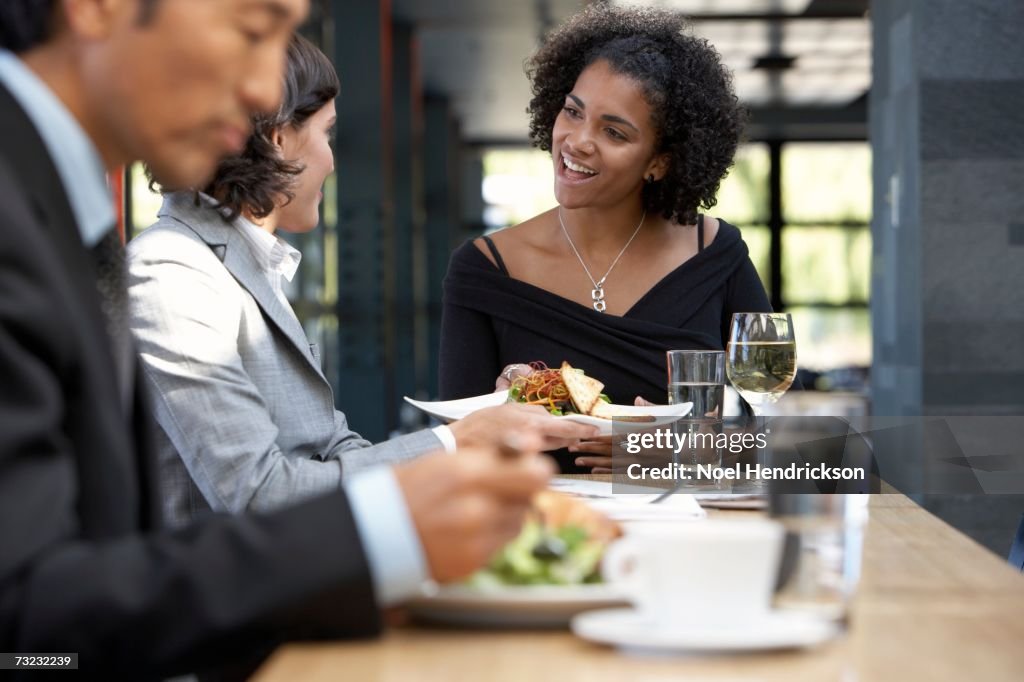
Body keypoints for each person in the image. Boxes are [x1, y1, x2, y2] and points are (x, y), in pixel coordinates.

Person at [0, 1, 559, 677]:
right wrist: (398, 514)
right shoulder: (127, 256)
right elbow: (27, 632)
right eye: (252, 29)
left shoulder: (58, 212)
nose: (267, 93)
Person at [126, 34, 593, 527]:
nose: (332, 159)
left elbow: (334, 449)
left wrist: (493, 425)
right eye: (327, 133)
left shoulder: (241, 267)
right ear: (278, 138)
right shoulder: (172, 271)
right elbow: (259, 495)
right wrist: (462, 439)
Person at [438, 4, 772, 472]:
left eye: (613, 131)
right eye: (572, 112)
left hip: (684, 532)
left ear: (661, 162)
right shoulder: (485, 268)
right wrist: (505, 420)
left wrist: (682, 453)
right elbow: (460, 456)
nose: (577, 141)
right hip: (542, 532)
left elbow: (812, 449)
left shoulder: (715, 255)